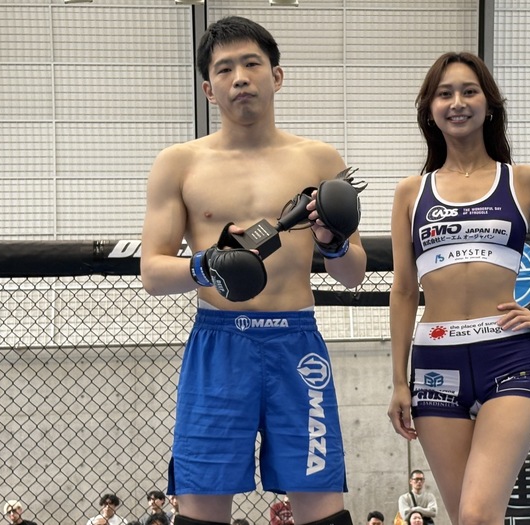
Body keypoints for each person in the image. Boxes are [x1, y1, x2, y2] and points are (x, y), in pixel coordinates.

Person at [140, 15, 366, 525]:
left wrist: (332, 244)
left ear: (276, 75)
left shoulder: (319, 158)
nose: (239, 78)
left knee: (322, 507)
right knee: (200, 508)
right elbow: (152, 273)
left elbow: (353, 274)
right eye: (225, 69)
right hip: (218, 344)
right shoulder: (178, 163)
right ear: (208, 89)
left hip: (296, 342)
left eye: (251, 64)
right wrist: (207, 265)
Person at [386, 51, 530, 525]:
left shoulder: (524, 180)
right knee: (464, 517)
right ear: (429, 108)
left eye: (469, 91)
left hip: (508, 357)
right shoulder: (410, 192)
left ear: (489, 104)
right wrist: (399, 381)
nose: (457, 102)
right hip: (435, 361)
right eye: (445, 94)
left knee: (479, 514)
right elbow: (403, 291)